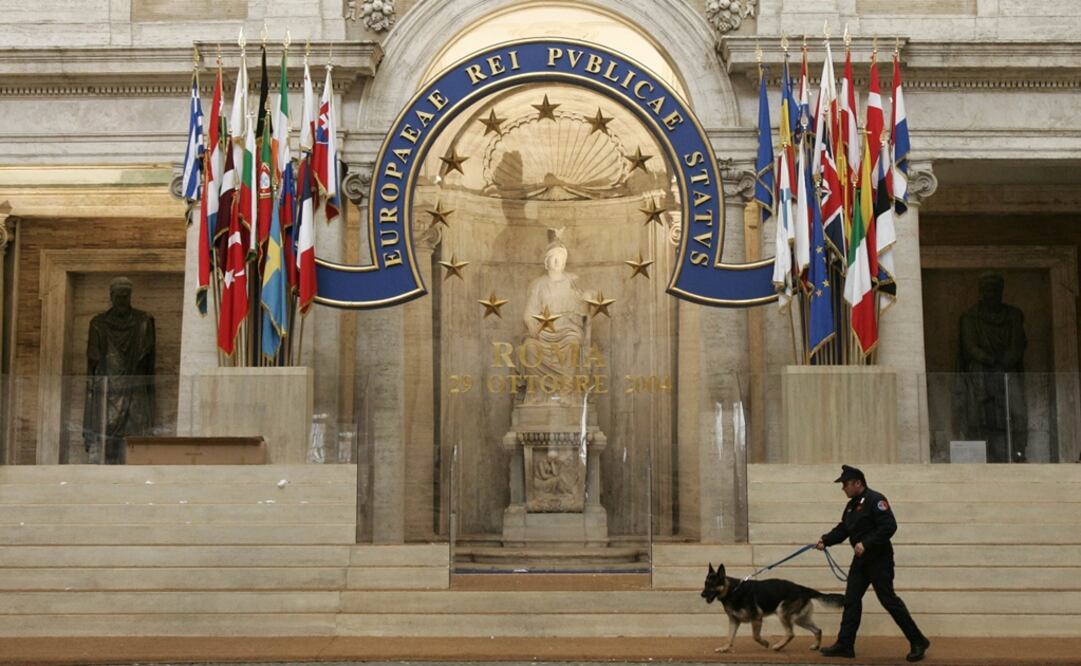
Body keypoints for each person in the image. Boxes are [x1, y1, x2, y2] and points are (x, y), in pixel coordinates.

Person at [816, 465, 930, 662]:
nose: (843, 488)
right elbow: (844, 528)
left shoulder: (876, 500)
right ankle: (845, 645)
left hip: (879, 560)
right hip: (861, 562)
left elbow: (889, 526)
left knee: (889, 601)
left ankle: (918, 641)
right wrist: (826, 540)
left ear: (858, 483)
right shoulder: (852, 505)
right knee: (851, 600)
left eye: (845, 484)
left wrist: (866, 543)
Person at [956, 271, 1028, 462]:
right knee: (976, 415)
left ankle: (1019, 452)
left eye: (995, 290)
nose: (992, 294)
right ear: (981, 292)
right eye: (988, 290)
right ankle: (977, 456)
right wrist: (990, 360)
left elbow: (1018, 344)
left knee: (1017, 412)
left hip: (1007, 370)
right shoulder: (970, 317)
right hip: (980, 372)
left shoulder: (1013, 315)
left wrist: (1004, 363)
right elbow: (969, 346)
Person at [83, 277, 156, 464]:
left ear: (130, 296)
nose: (122, 299)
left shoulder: (144, 322)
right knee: (107, 440)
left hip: (135, 390)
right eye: (119, 295)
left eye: (126, 295)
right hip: (108, 392)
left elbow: (148, 364)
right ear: (111, 296)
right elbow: (93, 363)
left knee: (135, 439)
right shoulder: (98, 324)